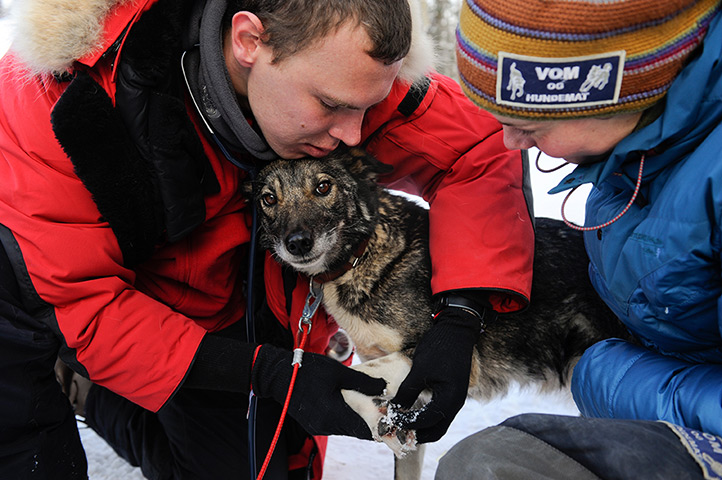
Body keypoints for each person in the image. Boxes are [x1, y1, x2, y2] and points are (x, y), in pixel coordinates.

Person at [0, 0, 535, 478]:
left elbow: (478, 152)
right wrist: (263, 373)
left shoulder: (347, 68)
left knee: (263, 462)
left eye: (366, 109)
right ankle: (90, 389)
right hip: (69, 297)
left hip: (234, 294)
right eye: (330, 105)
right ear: (249, 41)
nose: (354, 134)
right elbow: (88, 306)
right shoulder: (56, 110)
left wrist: (462, 313)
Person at [437, 0, 722, 478]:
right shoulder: (632, 156)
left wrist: (601, 371)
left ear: (616, 92)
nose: (510, 143)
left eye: (529, 126)